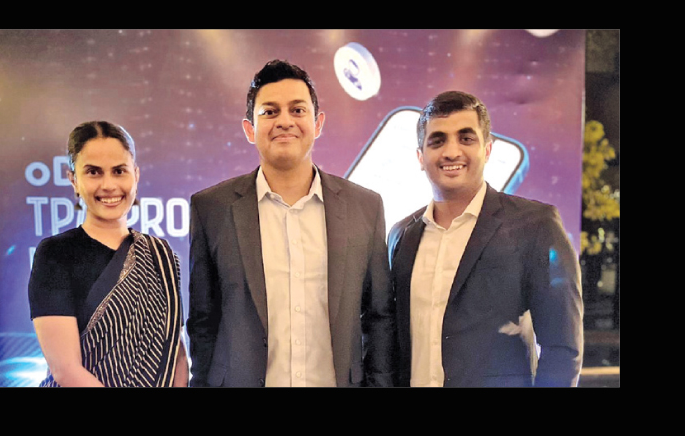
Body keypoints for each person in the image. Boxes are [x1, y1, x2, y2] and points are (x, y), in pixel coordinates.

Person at [187, 59, 395, 387]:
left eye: (297, 110)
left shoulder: (364, 208)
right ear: (249, 129)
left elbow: (379, 318)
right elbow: (203, 322)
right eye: (270, 112)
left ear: (318, 123)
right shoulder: (212, 209)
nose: (285, 121)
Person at [387, 91, 583, 387]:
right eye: (437, 141)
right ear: (420, 157)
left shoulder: (535, 225)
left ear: (488, 149)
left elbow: (562, 348)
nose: (451, 152)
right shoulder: (402, 235)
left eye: (466, 138)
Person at [28, 121, 188, 387]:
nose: (109, 185)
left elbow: (176, 353)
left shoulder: (160, 255)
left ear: (136, 175)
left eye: (119, 171)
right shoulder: (55, 254)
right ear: (73, 180)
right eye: (93, 172)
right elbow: (65, 370)